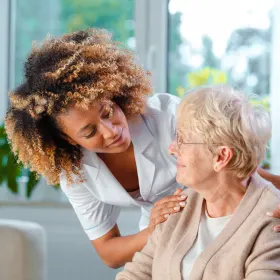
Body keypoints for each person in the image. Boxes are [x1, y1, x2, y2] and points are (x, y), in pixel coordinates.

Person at [4, 29, 280, 269]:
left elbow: (240, 167)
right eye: (89, 132)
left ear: (112, 92)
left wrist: (271, 198)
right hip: (165, 236)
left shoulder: (167, 117)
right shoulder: (76, 173)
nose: (111, 131)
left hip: (223, 218)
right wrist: (153, 230)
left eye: (108, 111)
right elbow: (109, 253)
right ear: (69, 141)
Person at [116, 85, 280, 280]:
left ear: (221, 157)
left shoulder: (271, 218)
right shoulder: (179, 205)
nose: (172, 148)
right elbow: (137, 273)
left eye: (182, 140)